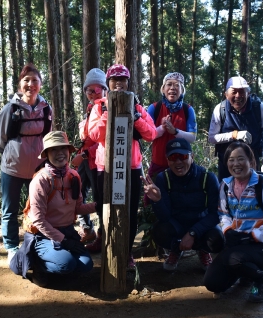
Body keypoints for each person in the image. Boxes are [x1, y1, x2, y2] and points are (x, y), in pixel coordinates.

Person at [86, 64, 157, 269]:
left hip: (131, 167)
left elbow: (151, 134)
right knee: (105, 209)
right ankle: (109, 250)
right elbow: (94, 135)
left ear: (128, 82)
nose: (118, 83)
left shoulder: (137, 106)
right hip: (105, 167)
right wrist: (111, 111)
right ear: (108, 83)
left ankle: (126, 253)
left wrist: (135, 117)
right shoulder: (99, 106)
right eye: (114, 79)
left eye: (122, 79)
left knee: (130, 211)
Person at [10, 131, 96, 287]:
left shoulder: (74, 176)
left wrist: (98, 205)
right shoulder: (41, 180)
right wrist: (64, 241)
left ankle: (57, 264)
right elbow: (38, 220)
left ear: (69, 151)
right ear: (47, 154)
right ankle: (37, 264)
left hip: (67, 231)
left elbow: (78, 208)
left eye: (63, 148)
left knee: (86, 265)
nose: (60, 153)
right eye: (54, 149)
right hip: (43, 236)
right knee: (66, 264)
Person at [203, 141, 263, 303]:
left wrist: (253, 236)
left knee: (233, 258)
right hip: (239, 243)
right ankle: (246, 273)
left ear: (251, 162)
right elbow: (223, 214)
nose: (236, 164)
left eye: (241, 159)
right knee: (212, 283)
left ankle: (262, 279)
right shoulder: (226, 186)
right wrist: (228, 230)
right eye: (231, 160)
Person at [0, 63, 52, 265]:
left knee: (38, 208)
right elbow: (0, 138)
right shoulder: (10, 109)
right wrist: (12, 154)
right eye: (26, 80)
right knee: (9, 209)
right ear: (20, 85)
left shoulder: (46, 109)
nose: (30, 84)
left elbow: (49, 138)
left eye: (34, 80)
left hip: (38, 170)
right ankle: (11, 247)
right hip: (12, 168)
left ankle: (35, 242)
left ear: (40, 84)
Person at [142, 138, 224, 272]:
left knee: (217, 239)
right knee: (160, 230)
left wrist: (192, 233)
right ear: (167, 160)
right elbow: (164, 217)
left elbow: (215, 214)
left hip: (201, 225)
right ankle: (176, 249)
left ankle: (203, 250)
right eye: (173, 157)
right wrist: (157, 200)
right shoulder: (164, 178)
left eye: (183, 156)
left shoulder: (207, 178)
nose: (178, 162)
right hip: (177, 225)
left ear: (192, 156)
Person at [208, 76, 263, 181]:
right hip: (227, 162)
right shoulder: (220, 110)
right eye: (234, 92)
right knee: (226, 193)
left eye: (242, 91)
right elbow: (212, 137)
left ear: (248, 93)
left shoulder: (260, 108)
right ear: (226, 94)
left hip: (251, 161)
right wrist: (235, 135)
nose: (238, 96)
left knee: (252, 193)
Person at [71, 68, 107, 244]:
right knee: (77, 193)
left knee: (99, 197)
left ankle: (102, 233)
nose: (92, 94)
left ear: (104, 89)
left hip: (95, 161)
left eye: (97, 90)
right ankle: (87, 229)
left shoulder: (104, 107)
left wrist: (83, 155)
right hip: (85, 159)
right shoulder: (91, 108)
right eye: (89, 90)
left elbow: (101, 140)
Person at [147, 72, 197, 179]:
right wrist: (162, 129)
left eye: (177, 85)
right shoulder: (154, 108)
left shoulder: (188, 110)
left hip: (181, 164)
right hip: (158, 163)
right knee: (152, 194)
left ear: (182, 90)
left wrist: (175, 132)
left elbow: (192, 137)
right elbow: (147, 135)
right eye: (169, 84)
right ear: (163, 88)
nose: (172, 88)